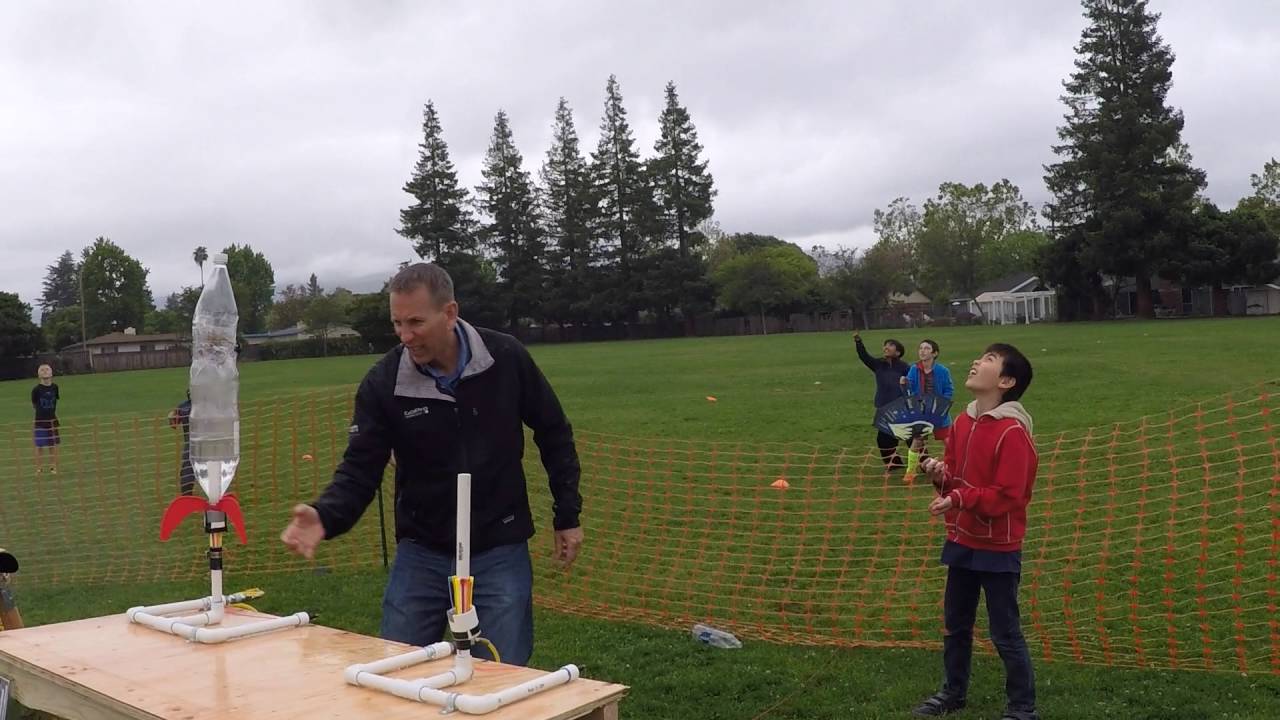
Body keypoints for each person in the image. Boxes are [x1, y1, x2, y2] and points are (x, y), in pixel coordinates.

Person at [279, 262, 583, 666]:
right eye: (397, 323)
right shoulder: (384, 382)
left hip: (499, 546)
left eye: (416, 322)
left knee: (499, 676)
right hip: (422, 550)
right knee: (395, 671)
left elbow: (553, 431)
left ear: (450, 313)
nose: (405, 336)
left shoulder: (505, 358)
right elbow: (360, 467)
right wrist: (325, 515)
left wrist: (567, 514)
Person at [912, 343, 1038, 720]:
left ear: (1005, 381)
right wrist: (940, 478)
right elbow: (954, 479)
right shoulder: (962, 423)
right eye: (979, 357)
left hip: (998, 546)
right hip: (962, 540)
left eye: (988, 360)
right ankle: (953, 692)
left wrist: (959, 498)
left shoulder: (1013, 432)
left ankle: (1022, 707)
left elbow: (1010, 496)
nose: (976, 362)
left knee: (1005, 632)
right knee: (956, 625)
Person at [852, 330, 910, 469]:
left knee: (910, 436)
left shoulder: (905, 367)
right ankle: (894, 464)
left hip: (901, 407)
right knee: (883, 440)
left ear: (898, 352)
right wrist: (858, 342)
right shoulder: (879, 364)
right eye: (885, 345)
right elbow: (864, 357)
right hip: (883, 407)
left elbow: (913, 382)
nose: (886, 347)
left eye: (890, 345)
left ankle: (924, 463)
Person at [900, 339, 953, 481]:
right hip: (921, 413)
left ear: (934, 353)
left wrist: (942, 405)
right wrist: (904, 384)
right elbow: (909, 389)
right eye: (920, 348)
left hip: (938, 413)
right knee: (917, 441)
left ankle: (955, 468)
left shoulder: (943, 371)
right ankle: (910, 472)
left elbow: (949, 390)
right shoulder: (913, 369)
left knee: (948, 442)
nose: (922, 351)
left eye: (926, 348)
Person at [31, 364, 60, 475]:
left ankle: (53, 467)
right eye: (42, 370)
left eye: (47, 369)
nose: (45, 371)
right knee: (39, 445)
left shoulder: (55, 387)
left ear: (51, 373)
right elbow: (34, 404)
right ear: (39, 375)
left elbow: (55, 403)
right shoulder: (36, 390)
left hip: (52, 420)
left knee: (52, 444)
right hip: (40, 421)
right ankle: (39, 468)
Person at [168, 391, 196, 496]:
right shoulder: (208, 404)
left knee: (188, 469)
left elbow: (173, 424)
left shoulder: (183, 406)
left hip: (191, 444)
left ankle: (187, 497)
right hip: (205, 442)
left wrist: (171, 417)